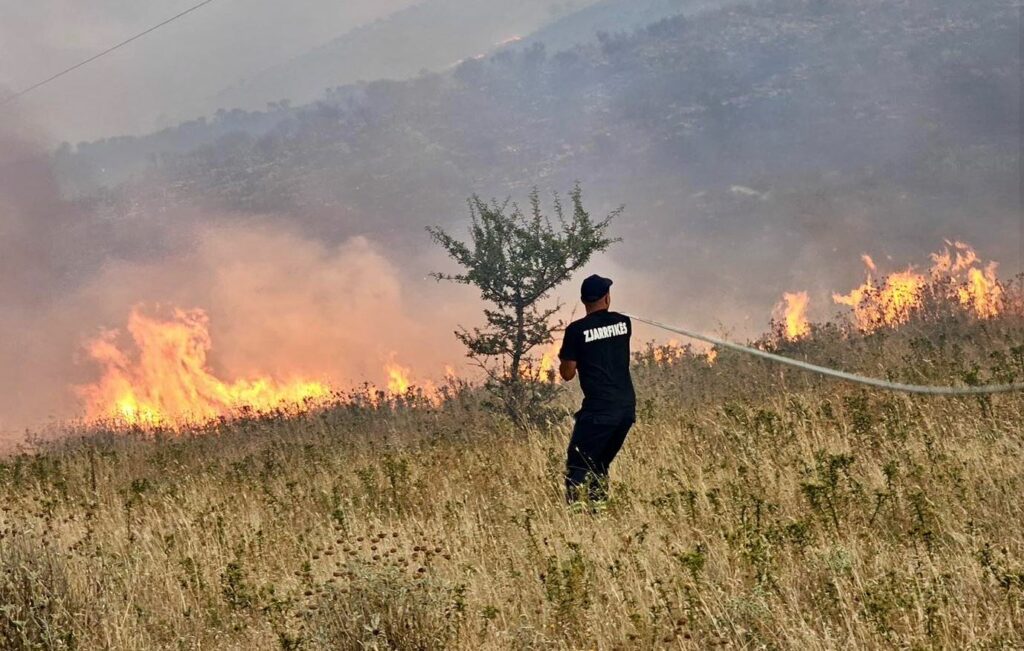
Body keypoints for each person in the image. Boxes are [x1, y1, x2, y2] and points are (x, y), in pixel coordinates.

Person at [558, 274, 636, 505]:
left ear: (584, 300)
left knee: (578, 463)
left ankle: (573, 515)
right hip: (626, 409)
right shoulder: (624, 323)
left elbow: (567, 373)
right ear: (606, 297)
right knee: (600, 464)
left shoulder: (575, 331)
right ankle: (597, 511)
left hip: (599, 410)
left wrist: (565, 356)